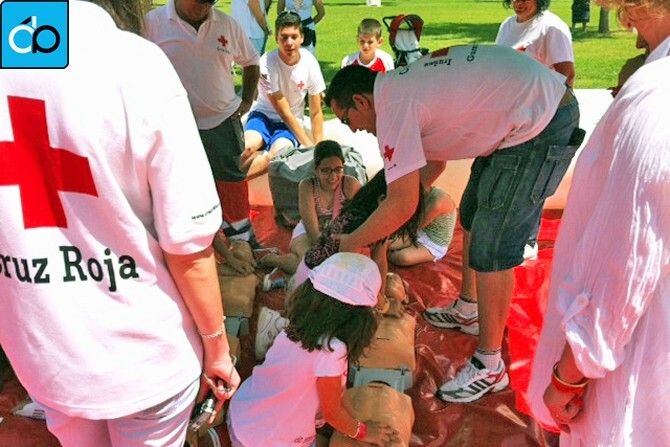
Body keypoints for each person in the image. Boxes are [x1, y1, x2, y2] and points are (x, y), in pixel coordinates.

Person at [0, 1, 239, 446]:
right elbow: (188, 244)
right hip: (145, 357)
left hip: (46, 357)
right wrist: (218, 348)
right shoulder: (134, 63)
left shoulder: (17, 43)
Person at [325, 46, 581, 403]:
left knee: (493, 245)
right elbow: (432, 167)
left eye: (346, 118)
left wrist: (352, 240)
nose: (353, 129)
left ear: (360, 101)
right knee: (472, 212)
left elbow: (402, 203)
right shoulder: (398, 89)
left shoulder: (393, 107)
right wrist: (386, 211)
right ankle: (469, 309)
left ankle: (490, 365)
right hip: (527, 111)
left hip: (540, 121)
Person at [527, 0, 670, 443]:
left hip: (637, 370)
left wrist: (568, 376)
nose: (626, 23)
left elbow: (625, 258)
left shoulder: (657, 96)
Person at [229, 253, 400, 446]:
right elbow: (332, 413)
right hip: (264, 439)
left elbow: (337, 395)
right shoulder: (333, 350)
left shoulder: (298, 328)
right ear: (361, 317)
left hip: (244, 414)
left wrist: (354, 420)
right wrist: (363, 432)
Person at [145, 0, 262, 248]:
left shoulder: (226, 24)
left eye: (210, 2)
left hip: (222, 119)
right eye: (199, 1)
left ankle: (241, 237)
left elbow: (251, 60)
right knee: (179, 182)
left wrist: (246, 100)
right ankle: (193, 240)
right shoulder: (153, 24)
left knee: (231, 178)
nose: (204, 7)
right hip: (174, 124)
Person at [496, 0, 576, 260]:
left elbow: (567, 75)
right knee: (512, 176)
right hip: (514, 117)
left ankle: (527, 241)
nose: (519, 3)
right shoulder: (507, 26)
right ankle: (507, 235)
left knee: (532, 179)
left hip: (543, 116)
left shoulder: (551, 28)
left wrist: (544, 111)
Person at [241, 11, 326, 178]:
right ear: (276, 39)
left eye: (294, 37)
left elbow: (316, 111)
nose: (289, 43)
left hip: (290, 125)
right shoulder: (266, 62)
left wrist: (320, 149)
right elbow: (283, 112)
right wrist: (309, 146)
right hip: (263, 116)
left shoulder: (310, 63)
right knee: (248, 147)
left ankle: (229, 182)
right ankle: (221, 181)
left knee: (275, 156)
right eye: (284, 37)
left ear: (302, 37)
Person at [258, 140, 361, 275]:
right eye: (326, 171)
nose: (333, 176)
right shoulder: (307, 186)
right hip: (309, 232)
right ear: (316, 170)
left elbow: (361, 221)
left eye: (338, 169)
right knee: (309, 265)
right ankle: (275, 260)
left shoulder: (350, 184)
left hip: (339, 235)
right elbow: (313, 235)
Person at [388, 184, 456, 267]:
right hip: (419, 232)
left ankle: (386, 254)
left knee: (402, 257)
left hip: (434, 243)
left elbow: (416, 225)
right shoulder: (422, 193)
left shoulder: (437, 202)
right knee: (389, 243)